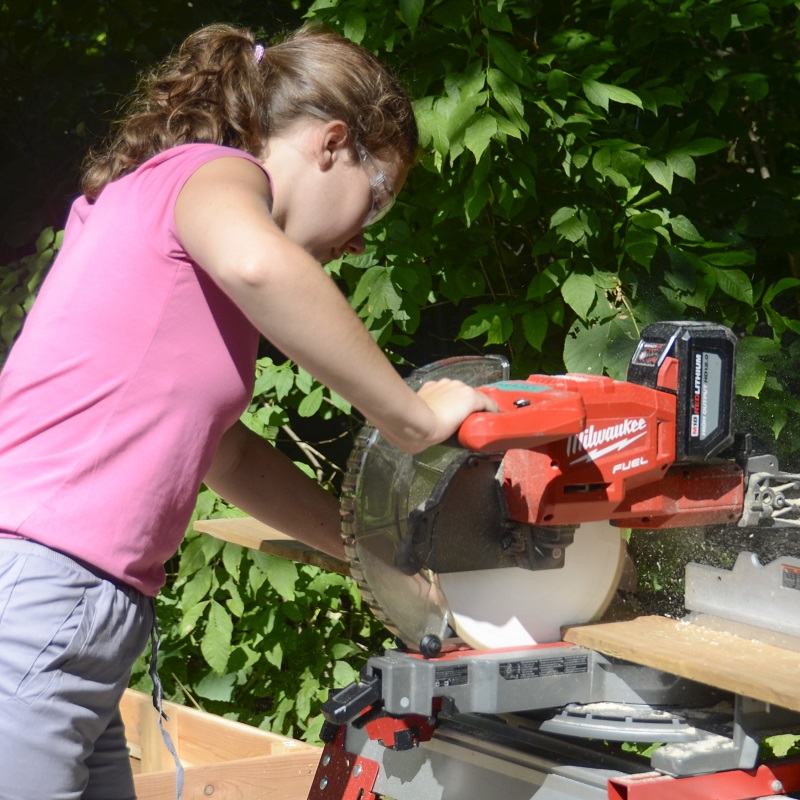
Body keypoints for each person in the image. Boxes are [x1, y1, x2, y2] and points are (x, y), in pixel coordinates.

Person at [0, 22, 496, 800]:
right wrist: (415, 419)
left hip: (72, 614)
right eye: (376, 201)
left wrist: (373, 555)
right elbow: (261, 263)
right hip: (40, 595)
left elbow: (225, 456)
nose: (361, 242)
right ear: (332, 143)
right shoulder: (212, 174)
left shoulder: (174, 230)